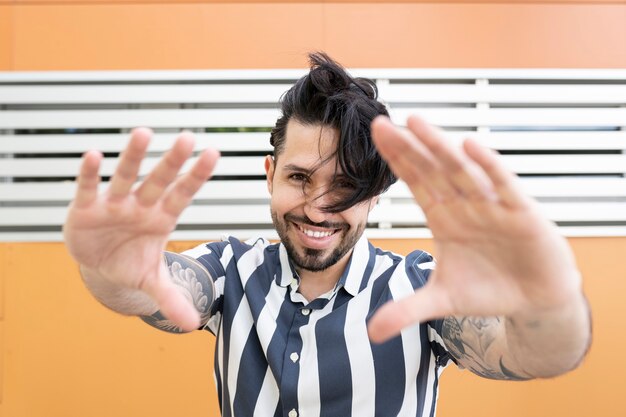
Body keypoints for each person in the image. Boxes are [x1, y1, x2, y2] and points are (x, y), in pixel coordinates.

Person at [63, 53, 592, 417]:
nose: (318, 208)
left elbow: (536, 355)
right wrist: (109, 266)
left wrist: (551, 302)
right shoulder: (231, 269)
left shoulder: (422, 287)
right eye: (299, 178)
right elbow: (148, 288)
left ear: (375, 196)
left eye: (345, 187)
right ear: (270, 174)